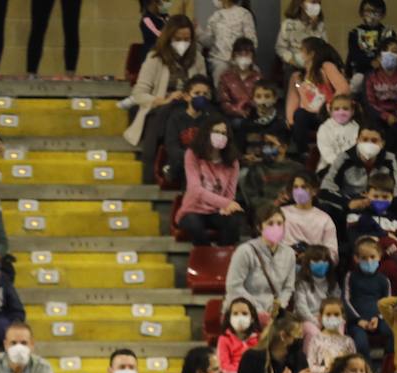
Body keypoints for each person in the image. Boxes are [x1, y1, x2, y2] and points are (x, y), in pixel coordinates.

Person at [123, 16, 206, 184]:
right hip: (160, 107)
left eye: (186, 39)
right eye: (178, 39)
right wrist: (164, 100)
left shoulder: (197, 59)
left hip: (189, 106)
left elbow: (205, 88)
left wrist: (192, 96)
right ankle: (166, 167)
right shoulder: (155, 58)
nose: (183, 43)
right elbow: (139, 94)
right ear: (169, 37)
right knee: (171, 114)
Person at [176, 116, 242, 246]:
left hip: (216, 212)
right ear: (207, 133)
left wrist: (227, 207)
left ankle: (223, 257)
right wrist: (226, 203)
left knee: (234, 221)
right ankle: (206, 258)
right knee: (194, 225)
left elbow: (230, 193)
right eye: (216, 132)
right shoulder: (192, 154)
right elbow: (195, 190)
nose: (220, 136)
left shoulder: (232, 161)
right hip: (193, 210)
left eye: (224, 133)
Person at [225, 205, 296, 319]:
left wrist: (279, 307)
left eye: (279, 223)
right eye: (270, 223)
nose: (276, 227)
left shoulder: (289, 253)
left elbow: (288, 287)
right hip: (243, 310)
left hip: (273, 312)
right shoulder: (245, 251)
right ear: (259, 227)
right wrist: (258, 309)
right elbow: (233, 286)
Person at [282, 172, 338, 258]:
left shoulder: (325, 219)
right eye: (295, 187)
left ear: (314, 191)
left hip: (311, 266)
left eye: (304, 187)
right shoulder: (281, 214)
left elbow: (332, 253)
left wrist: (311, 256)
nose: (299, 191)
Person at [201, 0, 256, 81]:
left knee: (254, 71)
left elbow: (251, 41)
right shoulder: (215, 17)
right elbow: (208, 42)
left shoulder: (244, 14)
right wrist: (198, 33)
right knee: (221, 69)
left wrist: (242, 56)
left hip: (241, 56)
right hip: (219, 59)